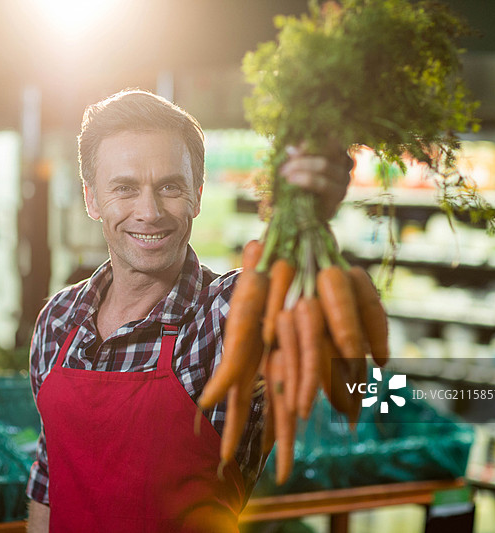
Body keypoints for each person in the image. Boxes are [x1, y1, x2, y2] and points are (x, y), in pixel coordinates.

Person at [26, 88, 351, 532]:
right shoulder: (57, 321)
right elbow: (48, 481)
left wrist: (307, 208)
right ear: (92, 199)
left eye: (170, 187)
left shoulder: (222, 316)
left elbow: (296, 295)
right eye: (125, 188)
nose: (149, 212)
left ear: (197, 195)